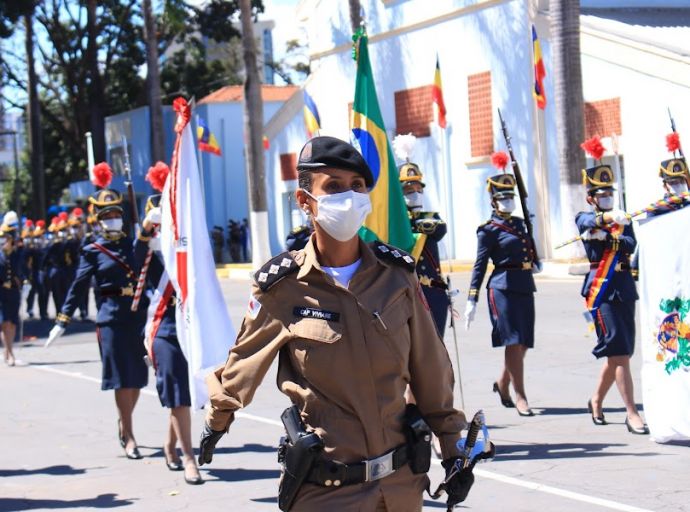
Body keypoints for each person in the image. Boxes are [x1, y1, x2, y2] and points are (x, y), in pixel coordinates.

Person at [198, 136, 474, 511]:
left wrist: (453, 446)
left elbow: (431, 372)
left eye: (357, 186)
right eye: (334, 187)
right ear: (304, 201)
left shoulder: (397, 277)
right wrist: (217, 421)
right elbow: (241, 365)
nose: (349, 196)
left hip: (399, 488)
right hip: (325, 491)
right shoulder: (283, 287)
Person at [46, 162, 150, 457]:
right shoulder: (92, 250)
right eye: (108, 216)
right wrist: (62, 320)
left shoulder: (134, 244)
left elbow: (151, 273)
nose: (114, 219)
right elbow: (78, 286)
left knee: (138, 378)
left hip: (137, 317)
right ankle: (129, 435)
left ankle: (124, 420)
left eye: (117, 214)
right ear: (99, 220)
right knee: (121, 378)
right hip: (111, 320)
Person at [136, 162, 203, 484]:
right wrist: (148, 230)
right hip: (163, 327)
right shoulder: (148, 255)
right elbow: (137, 248)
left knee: (182, 392)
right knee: (178, 394)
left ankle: (170, 445)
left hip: (189, 325)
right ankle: (190, 459)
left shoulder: (184, 248)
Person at [576, 136, 648, 435]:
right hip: (601, 290)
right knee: (617, 351)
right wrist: (603, 222)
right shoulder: (587, 216)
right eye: (601, 193)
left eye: (609, 192)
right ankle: (632, 413)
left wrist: (612, 235)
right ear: (591, 196)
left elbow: (630, 243)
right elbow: (584, 223)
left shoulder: (622, 220)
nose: (607, 196)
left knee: (622, 352)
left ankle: (596, 400)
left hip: (623, 287)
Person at [464, 151, 537, 417]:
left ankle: (503, 383)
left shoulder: (520, 224)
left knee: (525, 341)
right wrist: (472, 297)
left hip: (525, 283)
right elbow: (480, 264)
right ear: (493, 201)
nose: (508, 201)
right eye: (503, 197)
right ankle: (521, 396)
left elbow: (528, 251)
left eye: (511, 197)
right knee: (513, 341)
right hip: (502, 287)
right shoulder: (488, 230)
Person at [394, 134, 450, 338]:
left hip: (434, 294)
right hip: (409, 296)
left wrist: (413, 223)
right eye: (409, 190)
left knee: (438, 350)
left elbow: (439, 228)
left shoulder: (430, 218)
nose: (415, 194)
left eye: (418, 189)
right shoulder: (395, 226)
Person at [0, 216, 25, 366]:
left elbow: (22, 270)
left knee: (13, 322)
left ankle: (8, 349)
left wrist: (25, 282)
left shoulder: (17, 254)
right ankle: (10, 352)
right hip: (1, 292)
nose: (4, 240)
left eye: (6, 238)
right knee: (4, 322)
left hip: (14, 291)